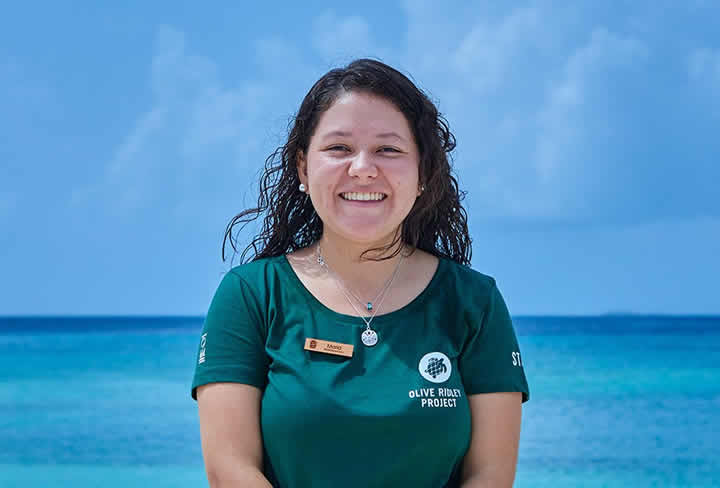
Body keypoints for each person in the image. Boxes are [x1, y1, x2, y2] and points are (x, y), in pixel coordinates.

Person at [190, 58, 530, 488]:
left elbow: (490, 476)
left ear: (423, 171)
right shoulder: (251, 295)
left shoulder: (474, 301)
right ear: (302, 168)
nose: (363, 167)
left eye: (388, 149)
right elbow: (229, 470)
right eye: (339, 149)